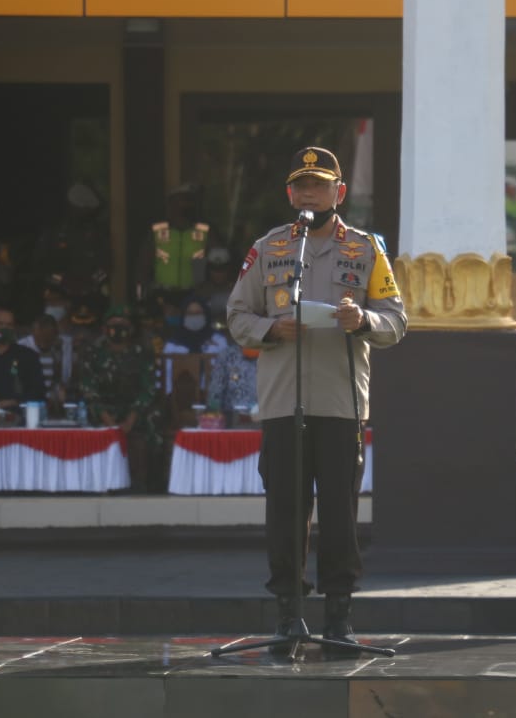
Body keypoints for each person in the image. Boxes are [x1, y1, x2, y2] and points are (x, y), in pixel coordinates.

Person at [226, 145, 406, 654]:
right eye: (300, 186)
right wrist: (270, 328)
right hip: (285, 401)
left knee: (340, 512)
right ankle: (288, 612)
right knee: (285, 510)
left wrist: (363, 320)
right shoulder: (269, 248)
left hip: (342, 401)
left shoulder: (367, 249)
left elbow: (396, 320)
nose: (309, 194)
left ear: (339, 193)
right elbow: (237, 315)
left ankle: (339, 615)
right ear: (289, 194)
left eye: (319, 186)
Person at [79, 305, 162, 491]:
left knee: (154, 417)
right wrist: (106, 418)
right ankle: (93, 482)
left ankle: (150, 483)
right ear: (103, 329)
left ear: (131, 329)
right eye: (113, 325)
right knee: (85, 414)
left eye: (123, 325)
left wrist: (131, 419)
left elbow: (148, 390)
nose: (118, 329)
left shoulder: (142, 353)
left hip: (134, 410)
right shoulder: (93, 353)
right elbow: (88, 389)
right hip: (104, 410)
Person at [136, 182, 212, 301]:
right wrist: (142, 295)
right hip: (162, 296)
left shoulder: (203, 232)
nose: (186, 205)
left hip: (193, 298)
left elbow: (218, 265)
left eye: (189, 201)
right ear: (171, 204)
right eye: (181, 201)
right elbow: (143, 268)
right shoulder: (157, 231)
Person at [18, 314, 73, 408]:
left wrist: (60, 388)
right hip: (28, 400)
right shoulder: (21, 347)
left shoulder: (61, 347)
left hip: (52, 403)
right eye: (41, 338)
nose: (43, 344)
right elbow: (13, 372)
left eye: (48, 339)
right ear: (34, 332)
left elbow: (63, 379)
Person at [192, 247, 237, 324]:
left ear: (228, 269)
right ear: (208, 269)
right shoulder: (200, 291)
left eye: (222, 269)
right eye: (214, 269)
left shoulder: (236, 290)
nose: (218, 274)